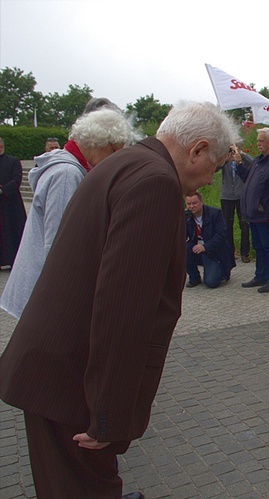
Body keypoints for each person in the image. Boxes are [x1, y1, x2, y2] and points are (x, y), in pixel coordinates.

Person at [0, 101, 239, 498]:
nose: (209, 181)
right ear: (196, 149)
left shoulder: (126, 162)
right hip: (73, 383)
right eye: (213, 167)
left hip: (55, 368)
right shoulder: (156, 182)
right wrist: (107, 415)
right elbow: (122, 309)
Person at [1, 108, 137, 319]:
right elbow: (58, 244)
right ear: (96, 142)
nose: (115, 161)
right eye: (113, 152)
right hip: (46, 297)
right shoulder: (67, 174)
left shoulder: (66, 167)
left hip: (40, 291)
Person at [237, 128, 269, 293]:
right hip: (254, 214)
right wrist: (238, 164)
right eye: (258, 141)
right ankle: (261, 275)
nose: (258, 144)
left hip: (266, 214)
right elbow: (248, 178)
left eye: (261, 141)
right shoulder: (258, 161)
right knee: (258, 246)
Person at [185, 191, 235, 288]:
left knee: (211, 283)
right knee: (184, 249)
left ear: (201, 202)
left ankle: (221, 270)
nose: (191, 207)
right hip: (197, 248)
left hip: (214, 251)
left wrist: (205, 247)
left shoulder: (215, 213)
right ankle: (194, 277)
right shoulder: (186, 216)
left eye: (194, 203)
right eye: (189, 204)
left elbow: (221, 235)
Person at [215, 148, 251, 263]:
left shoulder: (242, 158)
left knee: (244, 224)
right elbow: (215, 168)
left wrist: (241, 154)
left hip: (241, 196)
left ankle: (245, 252)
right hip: (227, 196)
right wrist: (226, 159)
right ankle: (230, 251)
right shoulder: (225, 158)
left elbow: (253, 162)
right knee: (227, 224)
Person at [0, 137, 27, 269]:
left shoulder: (13, 161)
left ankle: (13, 260)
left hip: (10, 203)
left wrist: (2, 190)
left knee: (11, 231)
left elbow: (17, 179)